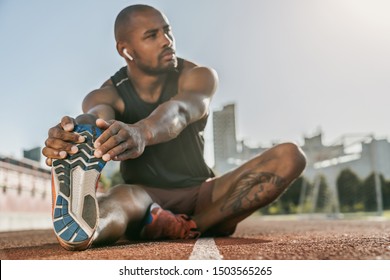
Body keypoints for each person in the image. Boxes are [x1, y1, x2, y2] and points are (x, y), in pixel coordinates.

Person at [43, 4, 306, 251]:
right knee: (114, 197)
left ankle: (191, 225)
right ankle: (86, 229)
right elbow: (97, 116)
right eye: (152, 35)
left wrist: (142, 132)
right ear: (126, 50)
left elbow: (178, 112)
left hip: (205, 193)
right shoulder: (107, 94)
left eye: (167, 31)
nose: (167, 41)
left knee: (290, 156)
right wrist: (73, 135)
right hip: (144, 197)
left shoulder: (198, 76)